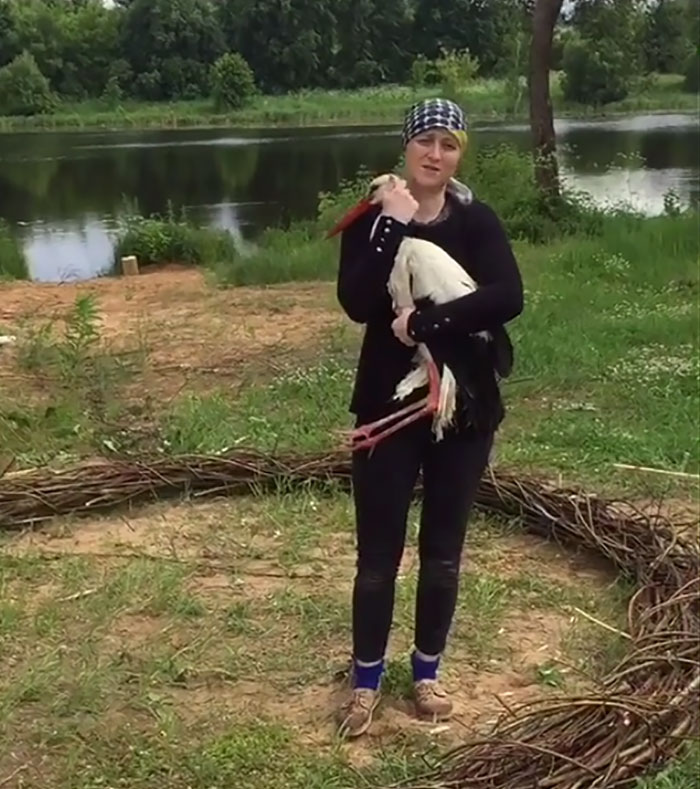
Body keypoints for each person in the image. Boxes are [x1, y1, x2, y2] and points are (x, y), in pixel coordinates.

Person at [334, 97, 524, 738]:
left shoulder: (477, 222)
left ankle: (425, 675)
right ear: (406, 147)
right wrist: (391, 222)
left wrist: (425, 322)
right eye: (425, 142)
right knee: (377, 557)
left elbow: (508, 297)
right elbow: (359, 303)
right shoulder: (371, 220)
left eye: (448, 144)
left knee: (443, 552)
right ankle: (364, 684)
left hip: (463, 407)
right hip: (388, 404)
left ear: (459, 153)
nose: (435, 155)